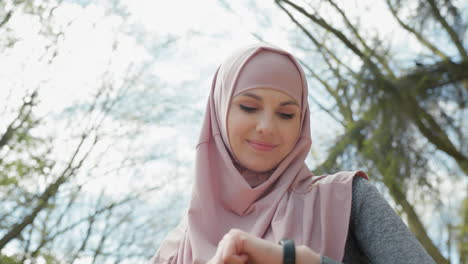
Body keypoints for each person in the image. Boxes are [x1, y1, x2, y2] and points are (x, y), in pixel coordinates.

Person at [151, 44, 435, 264]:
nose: (266, 127)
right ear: (219, 112)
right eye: (249, 107)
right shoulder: (174, 250)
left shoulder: (346, 199)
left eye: (286, 114)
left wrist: (297, 260)